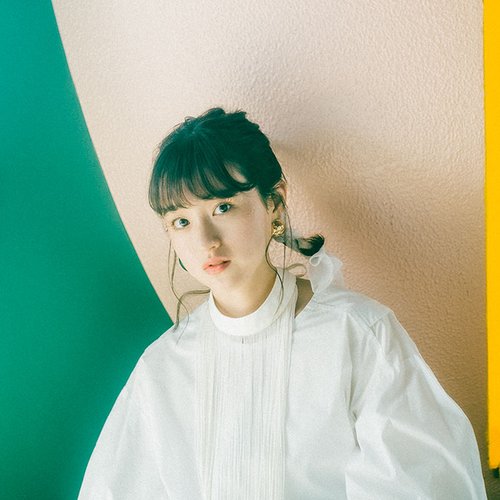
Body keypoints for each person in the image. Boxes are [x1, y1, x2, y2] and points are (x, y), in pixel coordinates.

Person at [78, 107, 487, 499]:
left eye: (223, 207)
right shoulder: (162, 368)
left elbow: (420, 482)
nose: (205, 241)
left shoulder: (358, 334)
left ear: (274, 204)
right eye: (181, 221)